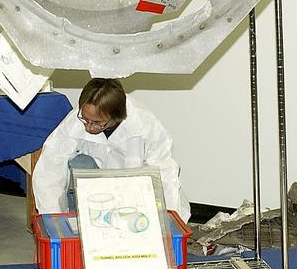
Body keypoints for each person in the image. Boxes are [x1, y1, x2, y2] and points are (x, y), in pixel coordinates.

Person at [31, 78, 189, 220]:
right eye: (85, 119)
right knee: (80, 163)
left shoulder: (145, 125)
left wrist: (170, 221)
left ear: (117, 117)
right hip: (97, 194)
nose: (88, 127)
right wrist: (53, 219)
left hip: (137, 192)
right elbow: (50, 168)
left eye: (97, 123)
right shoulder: (74, 121)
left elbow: (165, 174)